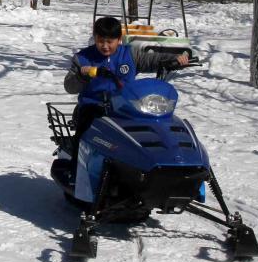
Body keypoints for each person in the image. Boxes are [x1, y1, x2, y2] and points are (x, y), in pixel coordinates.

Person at [64, 16, 189, 172]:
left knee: (150, 128)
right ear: (94, 38)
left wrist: (175, 59)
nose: (105, 46)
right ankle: (76, 171)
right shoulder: (83, 58)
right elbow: (69, 86)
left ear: (119, 40)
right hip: (94, 106)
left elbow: (153, 60)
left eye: (110, 42)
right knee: (85, 130)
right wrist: (81, 75)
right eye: (100, 41)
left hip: (126, 106)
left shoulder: (130, 55)